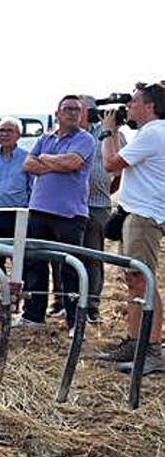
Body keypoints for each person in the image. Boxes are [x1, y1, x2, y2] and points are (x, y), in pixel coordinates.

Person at [99, 81, 165, 375]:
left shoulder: (154, 133)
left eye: (134, 101)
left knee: (143, 280)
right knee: (134, 281)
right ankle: (136, 341)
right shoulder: (151, 133)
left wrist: (109, 130)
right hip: (136, 214)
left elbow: (111, 164)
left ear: (150, 106)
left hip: (144, 216)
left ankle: (151, 350)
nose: (128, 107)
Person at [14, 95, 95, 332]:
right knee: (36, 265)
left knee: (70, 268)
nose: (72, 113)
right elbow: (28, 165)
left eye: (77, 110)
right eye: (68, 109)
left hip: (70, 215)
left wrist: (46, 159)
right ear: (57, 113)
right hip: (39, 210)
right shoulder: (45, 137)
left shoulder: (85, 139)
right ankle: (33, 317)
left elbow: (72, 163)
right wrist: (54, 164)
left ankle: (74, 322)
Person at [73, 95, 126, 323]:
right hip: (70, 206)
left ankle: (92, 305)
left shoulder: (112, 133)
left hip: (97, 205)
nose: (75, 113)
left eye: (80, 109)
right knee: (67, 254)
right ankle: (65, 301)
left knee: (93, 256)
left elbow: (119, 171)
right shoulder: (68, 133)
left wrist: (104, 189)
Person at [0, 117, 33, 272]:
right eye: (2, 130)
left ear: (18, 136)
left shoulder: (27, 158)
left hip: (16, 217)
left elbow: (32, 189)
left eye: (10, 131)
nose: (5, 134)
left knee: (20, 261)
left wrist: (28, 216)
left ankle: (17, 294)